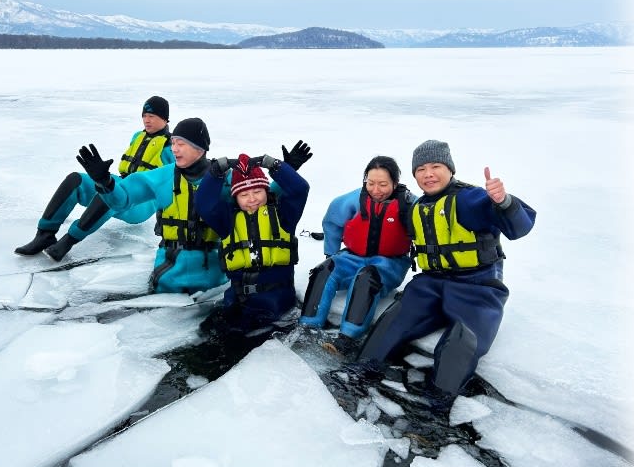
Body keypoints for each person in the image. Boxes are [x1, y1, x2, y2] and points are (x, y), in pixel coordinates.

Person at [357, 140, 537, 404]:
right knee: (393, 319)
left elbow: (520, 227)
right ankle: (360, 372)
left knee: (460, 340)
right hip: (430, 283)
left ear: (450, 169)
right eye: (421, 169)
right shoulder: (417, 208)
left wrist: (504, 202)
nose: (428, 174)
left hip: (477, 286)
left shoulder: (471, 199)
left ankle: (437, 402)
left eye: (436, 166)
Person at [76, 118, 312, 295]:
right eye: (173, 143)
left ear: (201, 148)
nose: (174, 149)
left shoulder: (227, 178)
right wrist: (104, 182)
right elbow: (122, 199)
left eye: (181, 144)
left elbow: (261, 201)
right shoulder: (161, 178)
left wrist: (287, 172)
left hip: (216, 284)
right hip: (168, 279)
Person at [14, 96, 174, 261]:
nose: (146, 120)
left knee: (108, 190)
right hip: (123, 183)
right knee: (76, 180)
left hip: (142, 203)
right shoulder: (137, 136)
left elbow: (175, 184)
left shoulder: (171, 147)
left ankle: (69, 241)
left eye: (152, 116)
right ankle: (44, 234)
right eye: (144, 116)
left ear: (164, 118)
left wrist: (165, 220)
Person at [298, 156, 415, 355]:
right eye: (370, 183)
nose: (376, 190)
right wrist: (332, 254)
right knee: (323, 270)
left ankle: (348, 338)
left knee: (366, 278)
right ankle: (307, 327)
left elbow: (429, 233)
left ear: (395, 183)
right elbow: (332, 222)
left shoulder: (409, 204)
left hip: (389, 264)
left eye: (383, 184)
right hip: (352, 257)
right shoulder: (353, 200)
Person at [194, 152, 310, 331]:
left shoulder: (284, 215)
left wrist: (275, 166)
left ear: (266, 191)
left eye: (257, 191)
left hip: (277, 303)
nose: (252, 199)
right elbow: (203, 203)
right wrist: (216, 171)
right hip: (238, 303)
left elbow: (300, 189)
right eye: (244, 195)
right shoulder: (227, 219)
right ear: (235, 198)